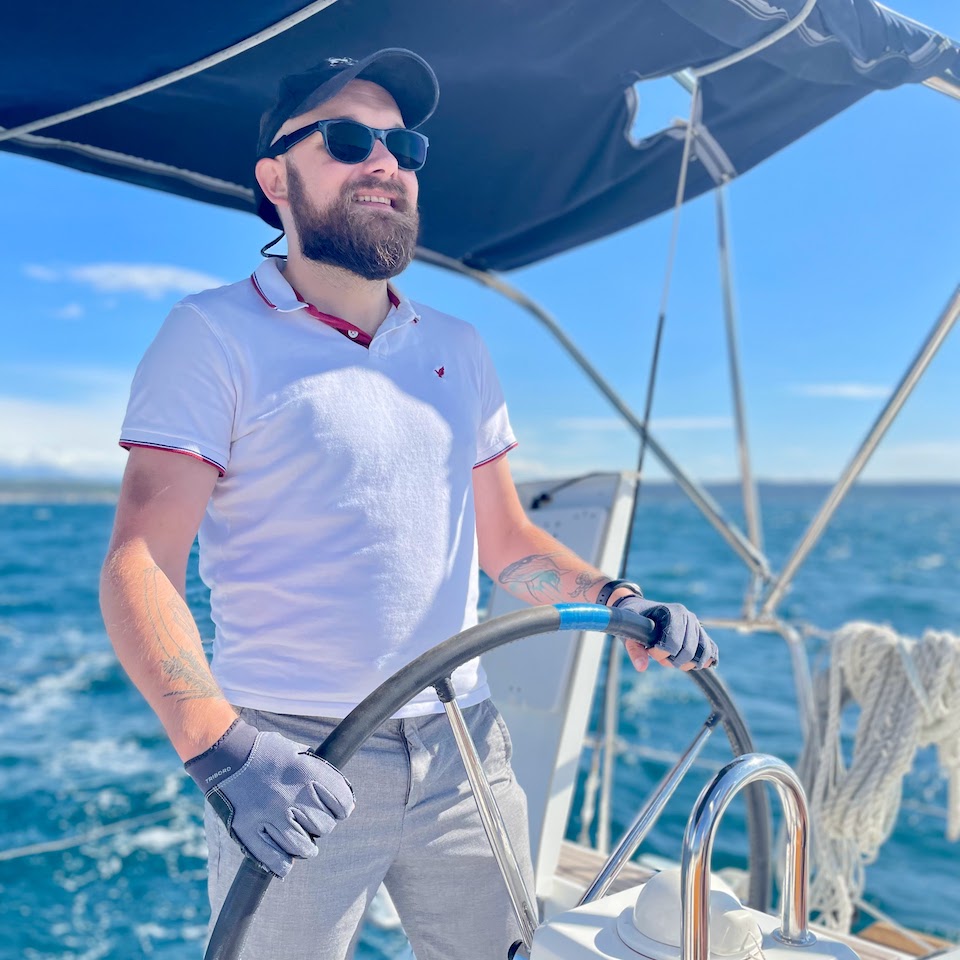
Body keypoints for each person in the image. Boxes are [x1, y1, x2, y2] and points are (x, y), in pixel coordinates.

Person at [99, 48, 717, 960]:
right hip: (293, 756)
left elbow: (504, 540)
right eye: (348, 140)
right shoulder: (210, 337)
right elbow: (140, 562)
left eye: (403, 144)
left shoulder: (458, 347)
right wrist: (222, 751)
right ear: (276, 176)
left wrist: (618, 601)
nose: (385, 161)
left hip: (464, 745)